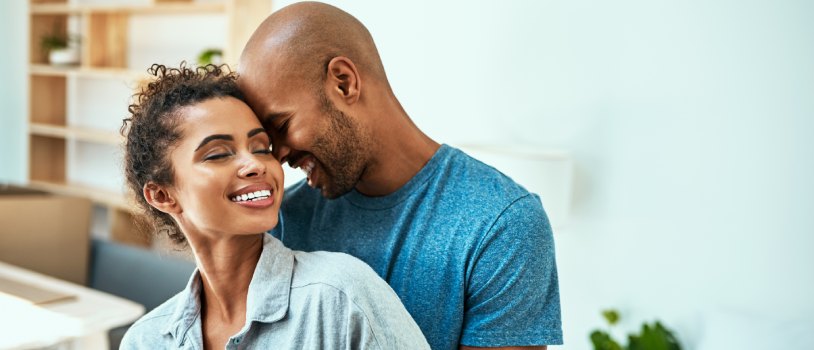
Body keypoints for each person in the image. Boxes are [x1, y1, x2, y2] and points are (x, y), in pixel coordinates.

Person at [237, 2, 563, 349]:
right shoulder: (281, 221)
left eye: (283, 126)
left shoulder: (500, 224)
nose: (280, 155)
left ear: (344, 83)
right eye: (268, 142)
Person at [118, 63, 429, 349]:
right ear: (162, 196)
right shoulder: (145, 340)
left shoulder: (340, 297)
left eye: (261, 148)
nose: (255, 164)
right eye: (218, 154)